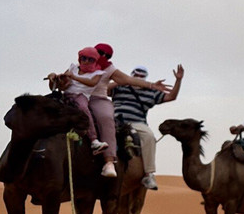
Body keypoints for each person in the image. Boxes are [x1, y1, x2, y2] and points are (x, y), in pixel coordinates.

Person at [67, 43, 168, 177]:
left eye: (107, 55)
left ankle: (109, 161)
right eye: (100, 52)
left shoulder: (108, 69)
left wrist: (151, 85)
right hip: (74, 95)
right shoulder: (81, 63)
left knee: (106, 118)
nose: (103, 56)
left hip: (97, 98)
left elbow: (127, 80)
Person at [110, 64, 184, 190]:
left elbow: (171, 96)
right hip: (114, 119)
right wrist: (121, 81)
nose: (138, 77)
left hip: (137, 122)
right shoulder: (119, 88)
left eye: (141, 76)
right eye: (136, 75)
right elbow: (104, 89)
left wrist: (178, 80)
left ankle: (149, 174)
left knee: (149, 137)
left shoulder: (151, 93)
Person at [48, 47, 109, 153]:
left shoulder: (97, 73)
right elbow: (61, 85)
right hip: (65, 94)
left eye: (91, 59)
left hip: (80, 96)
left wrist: (74, 78)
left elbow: (92, 83)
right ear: (79, 58)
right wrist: (54, 78)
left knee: (83, 108)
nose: (86, 61)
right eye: (84, 58)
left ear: (95, 61)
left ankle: (93, 140)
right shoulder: (73, 68)